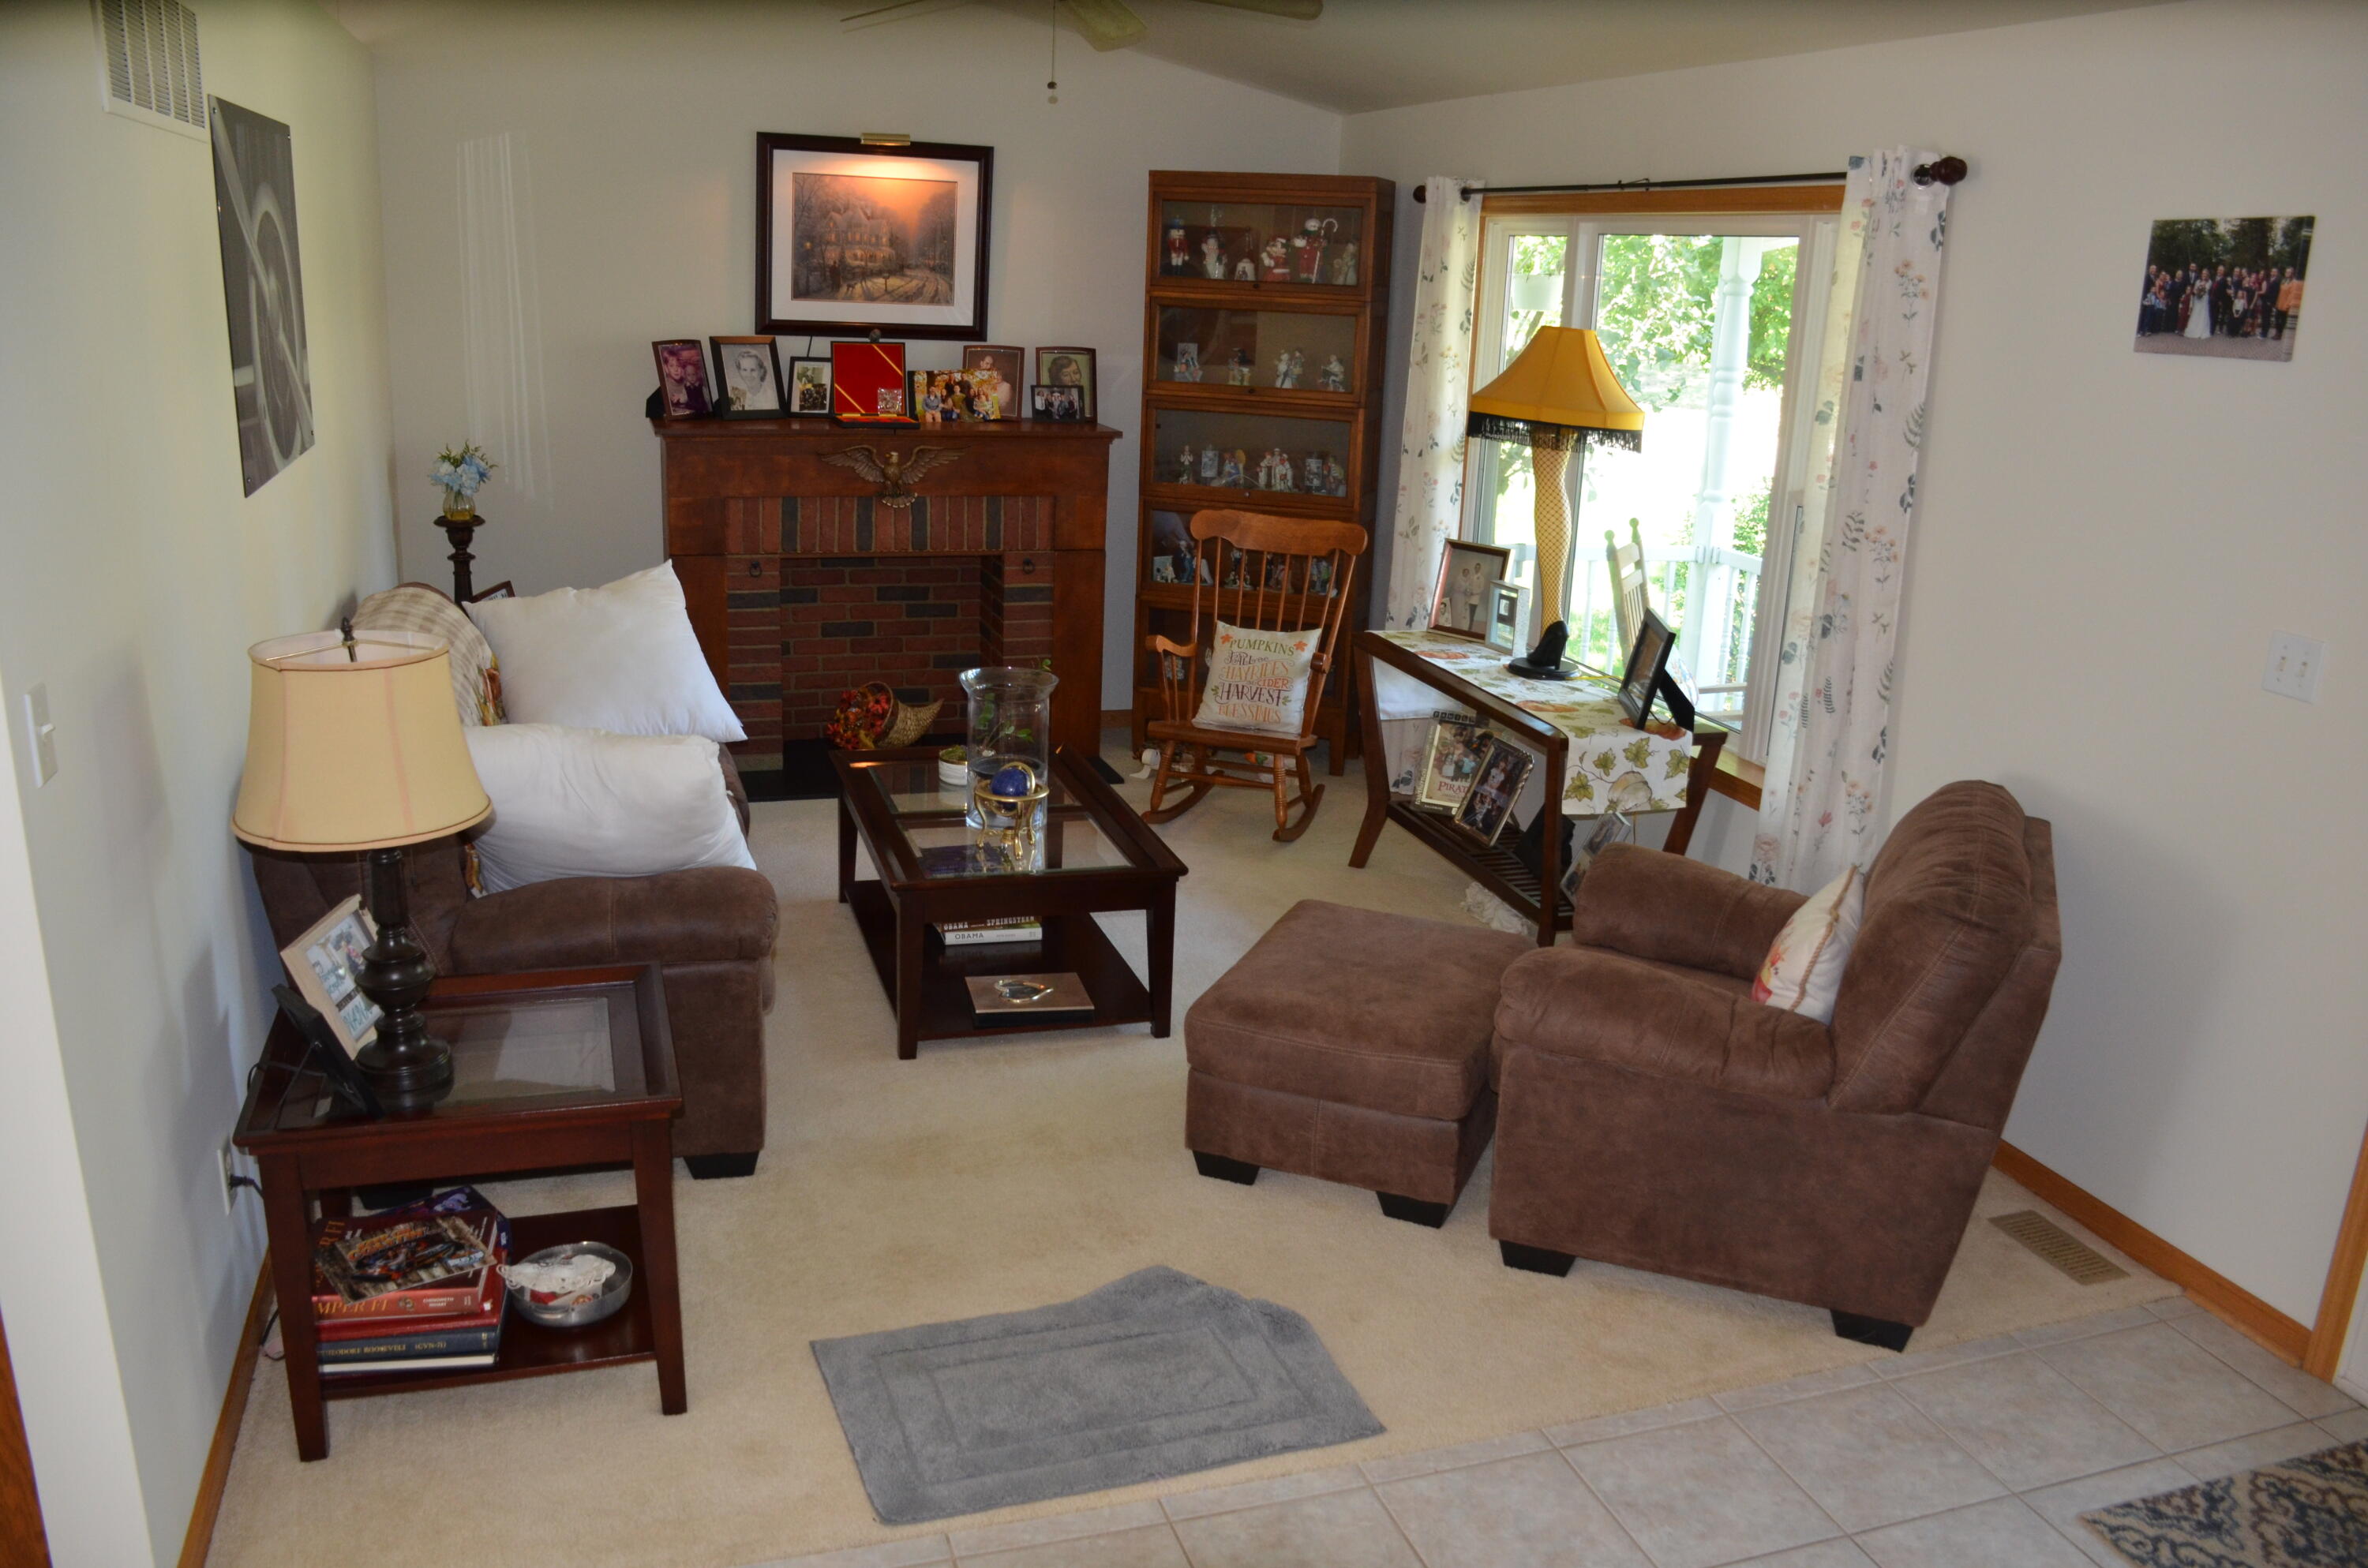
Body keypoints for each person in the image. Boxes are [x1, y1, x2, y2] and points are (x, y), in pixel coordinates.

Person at [2276, 267, 2303, 339]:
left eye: (2289, 272)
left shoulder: (2293, 283)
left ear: (2292, 273)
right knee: (2277, 319)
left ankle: (2279, 334)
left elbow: (2291, 295)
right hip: (2279, 303)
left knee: (2282, 320)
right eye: (2286, 272)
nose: (2287, 273)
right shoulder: (2284, 281)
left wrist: (2287, 305)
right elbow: (2280, 293)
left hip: (2285, 304)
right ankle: (2277, 332)